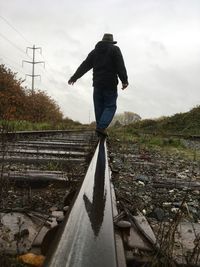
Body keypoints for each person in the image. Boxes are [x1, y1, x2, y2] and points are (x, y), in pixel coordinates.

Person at [68, 33, 128, 137]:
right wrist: (124, 80)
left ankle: (100, 128)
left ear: (102, 41)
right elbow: (120, 66)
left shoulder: (94, 52)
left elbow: (85, 65)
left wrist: (74, 77)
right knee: (110, 106)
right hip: (110, 84)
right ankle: (101, 127)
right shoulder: (115, 50)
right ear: (111, 42)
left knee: (99, 107)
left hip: (97, 84)